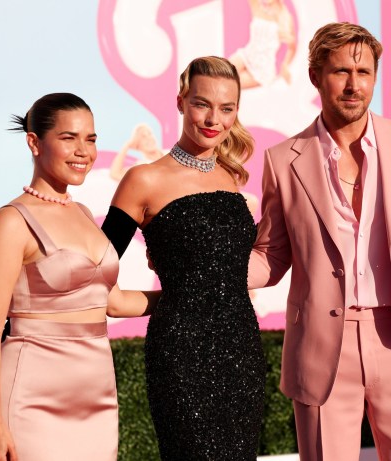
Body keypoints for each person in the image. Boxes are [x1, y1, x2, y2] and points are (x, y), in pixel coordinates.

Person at [248, 23, 391, 461]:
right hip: (322, 348)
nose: (353, 84)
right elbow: (271, 257)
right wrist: (201, 263)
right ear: (315, 76)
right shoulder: (282, 161)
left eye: (364, 72)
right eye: (341, 71)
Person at [0, 93, 157, 461]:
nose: (83, 151)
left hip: (96, 396)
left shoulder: (85, 214)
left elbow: (114, 302)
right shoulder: (12, 221)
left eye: (90, 139)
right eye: (69, 138)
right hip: (31, 399)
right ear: (34, 142)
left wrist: (193, 294)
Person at [101, 56, 266, 460]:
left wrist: (198, 292)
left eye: (227, 108)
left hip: (242, 351)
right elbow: (96, 275)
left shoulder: (233, 175)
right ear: (180, 101)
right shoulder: (144, 179)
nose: (214, 118)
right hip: (181, 356)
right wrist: (178, 297)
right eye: (201, 103)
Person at [229, 0, 296, 88]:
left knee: (231, 85)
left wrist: (285, 65)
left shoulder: (286, 18)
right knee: (220, 74)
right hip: (246, 55)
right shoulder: (257, 7)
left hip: (263, 68)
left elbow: (292, 47)